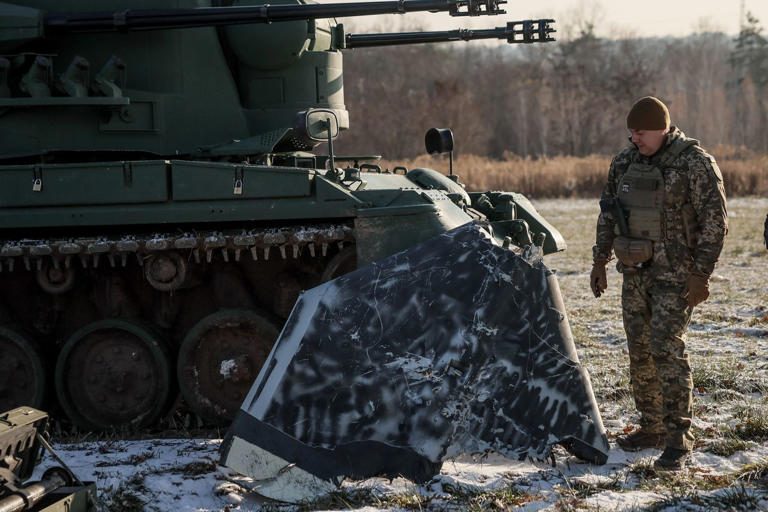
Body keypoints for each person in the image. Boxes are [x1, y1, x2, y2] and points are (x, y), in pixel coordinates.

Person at [590, 96, 728, 470]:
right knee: (640, 351)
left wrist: (701, 275)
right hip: (635, 271)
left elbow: (715, 222)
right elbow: (609, 212)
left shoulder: (694, 163)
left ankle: (678, 438)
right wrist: (600, 260)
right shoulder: (624, 162)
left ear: (662, 128)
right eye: (631, 132)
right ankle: (651, 427)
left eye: (641, 132)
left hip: (676, 275)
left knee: (666, 348)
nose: (635, 139)